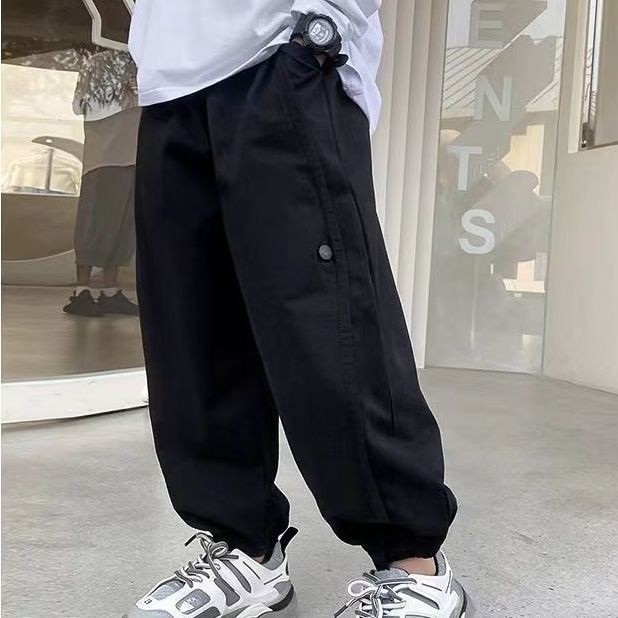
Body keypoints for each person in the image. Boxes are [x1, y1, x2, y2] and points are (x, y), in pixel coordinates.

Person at [126, 2, 467, 617]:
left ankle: (412, 562)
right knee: (193, 330)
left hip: (285, 48)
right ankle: (244, 547)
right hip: (168, 75)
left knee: (328, 325)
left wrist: (321, 26)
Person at [63, 50, 140, 318]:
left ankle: (110, 290)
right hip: (105, 157)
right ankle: (82, 289)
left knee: (122, 229)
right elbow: (80, 105)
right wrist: (125, 90)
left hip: (135, 156)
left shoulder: (143, 60)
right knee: (94, 224)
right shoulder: (97, 62)